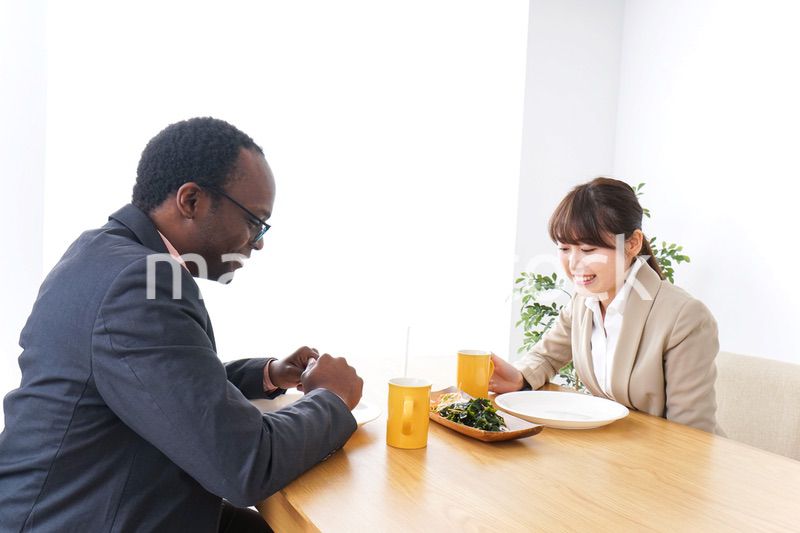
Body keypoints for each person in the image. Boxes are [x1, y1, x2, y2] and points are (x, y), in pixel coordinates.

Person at [0, 117, 363, 532]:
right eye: (253, 221)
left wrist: (265, 375)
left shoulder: (104, 252)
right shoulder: (143, 282)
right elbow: (244, 466)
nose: (258, 241)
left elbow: (157, 385)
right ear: (190, 200)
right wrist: (333, 398)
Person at [490, 177, 720, 433]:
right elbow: (546, 356)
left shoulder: (685, 317)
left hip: (665, 463)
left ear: (632, 243)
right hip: (609, 453)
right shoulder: (584, 301)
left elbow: (691, 435)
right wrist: (519, 377)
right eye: (564, 248)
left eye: (588, 250)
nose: (573, 263)